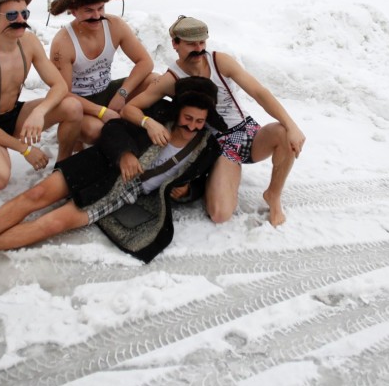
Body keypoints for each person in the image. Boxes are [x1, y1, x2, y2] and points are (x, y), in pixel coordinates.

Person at [0, 77, 223, 281]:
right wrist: (125, 155)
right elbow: (114, 130)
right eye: (188, 118)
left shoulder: (207, 145)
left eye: (199, 121)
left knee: (52, 224)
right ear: (179, 110)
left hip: (122, 192)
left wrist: (188, 192)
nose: (192, 126)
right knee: (35, 197)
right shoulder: (158, 114)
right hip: (100, 163)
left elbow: (202, 180)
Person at [122, 15, 305, 227]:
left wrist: (292, 126)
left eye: (202, 42)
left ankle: (273, 195)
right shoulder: (172, 78)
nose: (199, 48)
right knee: (220, 214)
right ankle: (213, 180)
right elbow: (130, 108)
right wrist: (149, 123)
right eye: (191, 44)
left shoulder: (220, 61)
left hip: (247, 133)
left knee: (286, 134)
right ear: (176, 44)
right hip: (216, 147)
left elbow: (259, 92)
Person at [0, 0, 82, 191]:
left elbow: (59, 85)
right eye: (11, 15)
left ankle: (62, 167)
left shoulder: (29, 42)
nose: (20, 20)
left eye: (24, 14)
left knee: (72, 106)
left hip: (13, 115)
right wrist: (25, 149)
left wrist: (40, 112)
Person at [49, 0, 157, 145]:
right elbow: (62, 93)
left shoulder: (115, 25)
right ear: (74, 11)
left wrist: (122, 93)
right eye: (89, 11)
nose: (97, 15)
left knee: (155, 81)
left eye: (101, 8)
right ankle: (77, 133)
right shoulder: (62, 43)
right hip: (79, 102)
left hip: (107, 90)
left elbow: (145, 62)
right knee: (96, 131)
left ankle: (135, 122)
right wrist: (101, 112)